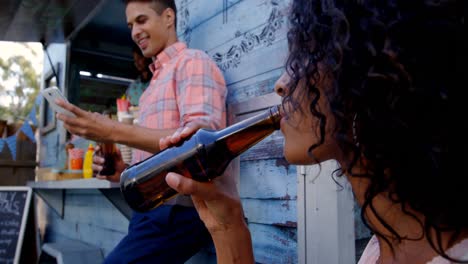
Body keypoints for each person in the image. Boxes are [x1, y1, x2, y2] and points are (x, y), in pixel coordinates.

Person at [161, 0, 466, 263]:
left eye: (307, 54)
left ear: (375, 75)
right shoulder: (387, 243)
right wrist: (227, 224)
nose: (281, 84)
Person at [56, 0, 228, 263]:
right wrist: (123, 169)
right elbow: (161, 153)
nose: (134, 32)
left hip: (180, 210)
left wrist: (113, 130)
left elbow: (201, 145)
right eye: (130, 25)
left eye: (142, 20)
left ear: (168, 17)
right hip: (150, 211)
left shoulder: (192, 61)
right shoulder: (150, 90)